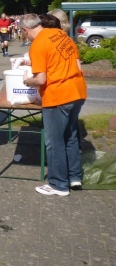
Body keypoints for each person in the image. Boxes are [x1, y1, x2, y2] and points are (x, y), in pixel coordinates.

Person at [20, 13, 87, 196]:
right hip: (77, 91)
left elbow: (41, 79)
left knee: (54, 141)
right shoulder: (60, 35)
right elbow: (74, 63)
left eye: (22, 33)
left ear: (25, 29)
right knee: (70, 136)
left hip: (58, 95)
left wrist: (27, 81)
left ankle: (58, 184)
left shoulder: (38, 44)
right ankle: (74, 177)